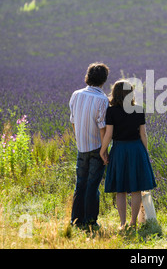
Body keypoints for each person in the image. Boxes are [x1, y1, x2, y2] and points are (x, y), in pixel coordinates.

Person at [101, 79, 157, 230]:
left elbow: (108, 134)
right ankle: (133, 222)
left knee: (121, 189)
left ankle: (122, 223)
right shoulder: (138, 109)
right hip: (136, 149)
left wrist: (102, 150)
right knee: (136, 187)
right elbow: (143, 134)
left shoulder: (111, 111)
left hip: (119, 150)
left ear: (115, 94)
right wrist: (144, 152)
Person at [69, 62, 110, 228]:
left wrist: (79, 138)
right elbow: (102, 128)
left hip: (81, 146)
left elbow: (73, 122)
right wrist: (104, 151)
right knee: (92, 185)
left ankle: (75, 220)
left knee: (80, 184)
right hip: (96, 147)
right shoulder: (102, 99)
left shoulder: (76, 95)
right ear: (104, 80)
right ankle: (90, 221)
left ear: (88, 76)